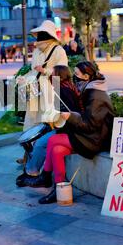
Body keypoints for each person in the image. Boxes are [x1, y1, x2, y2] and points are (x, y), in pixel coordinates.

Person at [25, 61, 115, 204]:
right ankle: (59, 189)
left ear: (86, 76)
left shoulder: (95, 95)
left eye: (77, 74)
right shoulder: (89, 89)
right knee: (57, 150)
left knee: (53, 141)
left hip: (95, 139)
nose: (74, 77)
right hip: (91, 135)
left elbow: (90, 124)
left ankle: (45, 176)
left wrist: (70, 116)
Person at [16, 65, 84, 187]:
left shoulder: (63, 90)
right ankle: (35, 172)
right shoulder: (66, 87)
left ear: (58, 75)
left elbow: (69, 112)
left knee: (41, 143)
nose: (50, 75)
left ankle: (33, 173)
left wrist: (55, 121)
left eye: (52, 73)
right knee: (41, 141)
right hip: (67, 127)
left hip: (70, 130)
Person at [18, 20, 69, 131]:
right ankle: (32, 142)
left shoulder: (58, 50)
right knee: (32, 117)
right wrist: (24, 78)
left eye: (43, 33)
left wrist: (45, 71)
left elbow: (63, 71)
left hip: (51, 89)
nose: (40, 37)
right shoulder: (37, 51)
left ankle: (47, 141)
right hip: (34, 89)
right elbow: (34, 71)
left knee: (50, 118)